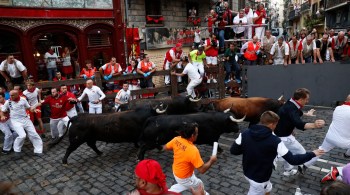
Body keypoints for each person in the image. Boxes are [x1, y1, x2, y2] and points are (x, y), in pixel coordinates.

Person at [230, 111, 324, 195]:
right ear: (271, 124)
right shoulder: (275, 141)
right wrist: (313, 153)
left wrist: (250, 148)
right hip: (260, 178)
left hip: (247, 171)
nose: (276, 127)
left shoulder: (244, 133)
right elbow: (293, 160)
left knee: (268, 187)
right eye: (276, 125)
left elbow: (233, 151)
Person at [274, 88, 326, 176]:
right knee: (301, 152)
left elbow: (294, 113)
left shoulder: (291, 102)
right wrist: (314, 125)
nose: (307, 101)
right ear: (301, 99)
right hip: (285, 137)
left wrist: (306, 114)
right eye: (306, 99)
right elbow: (299, 124)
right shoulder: (292, 109)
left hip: (280, 134)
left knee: (288, 152)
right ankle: (278, 158)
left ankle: (288, 169)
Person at [164, 122, 217, 195]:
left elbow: (165, 147)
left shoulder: (176, 139)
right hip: (184, 177)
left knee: (185, 184)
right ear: (192, 136)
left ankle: (171, 191)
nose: (198, 135)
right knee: (199, 184)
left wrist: (178, 148)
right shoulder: (193, 150)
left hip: (176, 171)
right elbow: (202, 170)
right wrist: (211, 160)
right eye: (197, 133)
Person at [300, 95, 350, 173]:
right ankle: (347, 156)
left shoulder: (338, 108)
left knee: (321, 150)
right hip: (345, 142)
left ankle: (305, 164)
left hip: (331, 137)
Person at [0, 90, 43, 157]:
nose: (10, 97)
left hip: (25, 119)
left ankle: (38, 150)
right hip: (15, 121)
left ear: (17, 95)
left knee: (34, 134)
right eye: (10, 95)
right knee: (22, 135)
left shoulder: (23, 100)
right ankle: (17, 151)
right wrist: (2, 116)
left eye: (12, 95)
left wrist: (34, 110)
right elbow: (3, 110)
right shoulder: (8, 102)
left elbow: (29, 108)